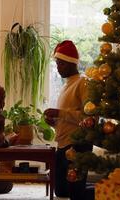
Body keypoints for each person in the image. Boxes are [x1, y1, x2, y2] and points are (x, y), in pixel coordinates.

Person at [44, 40, 92, 200]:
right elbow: (69, 117)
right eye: (57, 63)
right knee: (61, 191)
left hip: (78, 145)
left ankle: (106, 190)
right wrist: (55, 122)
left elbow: (89, 118)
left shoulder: (83, 83)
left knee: (76, 193)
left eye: (61, 64)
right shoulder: (66, 86)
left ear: (72, 63)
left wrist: (60, 113)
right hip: (62, 145)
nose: (58, 68)